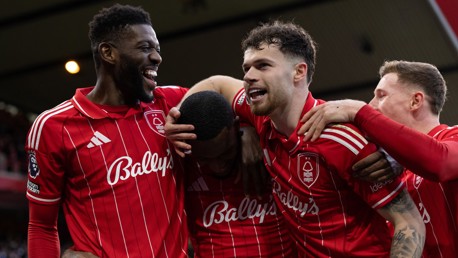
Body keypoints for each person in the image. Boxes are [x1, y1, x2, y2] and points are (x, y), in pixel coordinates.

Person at [165, 20, 425, 257]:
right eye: (247, 68)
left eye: (263, 65)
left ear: (299, 72)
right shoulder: (262, 118)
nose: (248, 76)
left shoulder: (341, 138)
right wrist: (178, 117)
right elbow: (216, 83)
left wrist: (394, 155)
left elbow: (409, 223)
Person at [25, 4, 189, 257]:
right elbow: (42, 225)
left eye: (157, 49)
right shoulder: (54, 126)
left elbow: (228, 93)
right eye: (145, 48)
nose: (157, 57)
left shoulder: (169, 103)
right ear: (108, 53)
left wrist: (248, 132)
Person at [299, 60, 458, 258]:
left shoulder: (453, 138)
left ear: (415, 101)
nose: (371, 105)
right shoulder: (382, 168)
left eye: (381, 96)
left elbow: (440, 163)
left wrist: (358, 111)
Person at [176, 90, 297, 257]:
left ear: (235, 127)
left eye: (224, 154)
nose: (217, 166)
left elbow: (222, 85)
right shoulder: (179, 159)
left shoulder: (268, 145)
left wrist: (251, 125)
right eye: (203, 159)